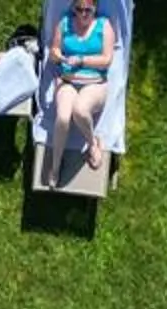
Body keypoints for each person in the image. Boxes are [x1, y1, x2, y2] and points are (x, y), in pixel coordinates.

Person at [46, 0, 113, 181]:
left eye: (88, 10)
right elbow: (53, 51)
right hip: (68, 81)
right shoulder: (65, 23)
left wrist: (82, 60)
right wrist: (57, 55)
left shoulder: (104, 26)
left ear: (95, 9)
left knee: (80, 110)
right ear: (74, 8)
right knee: (62, 117)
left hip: (95, 83)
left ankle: (93, 143)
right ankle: (56, 165)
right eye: (79, 9)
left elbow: (107, 59)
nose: (83, 14)